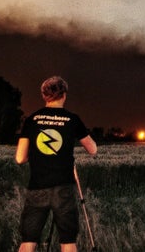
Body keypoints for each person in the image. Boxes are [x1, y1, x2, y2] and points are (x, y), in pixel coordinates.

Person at [16, 76, 97, 252]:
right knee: (68, 241)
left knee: (28, 240)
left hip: (37, 188)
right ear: (64, 95)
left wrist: (36, 155)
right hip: (64, 189)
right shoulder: (73, 119)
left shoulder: (32, 119)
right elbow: (93, 150)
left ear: (44, 95)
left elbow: (20, 158)